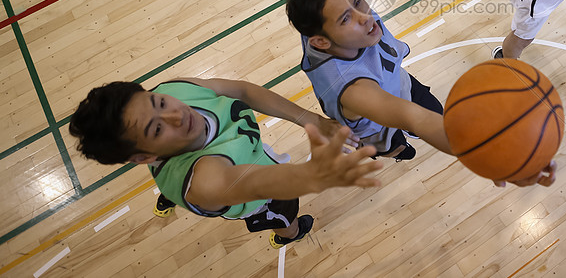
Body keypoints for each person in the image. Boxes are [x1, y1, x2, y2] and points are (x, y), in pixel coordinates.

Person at [287, 0, 556, 187]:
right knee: (401, 144)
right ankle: (394, 151)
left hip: (399, 82)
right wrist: (498, 160)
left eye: (357, 0)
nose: (364, 16)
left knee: (437, 112)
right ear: (320, 42)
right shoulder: (355, 90)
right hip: (377, 127)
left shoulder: (319, 20)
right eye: (347, 18)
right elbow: (417, 118)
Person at [69, 77, 382, 248]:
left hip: (205, 168)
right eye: (158, 127)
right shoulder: (203, 180)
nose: (177, 114)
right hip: (260, 198)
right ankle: (288, 235)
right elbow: (251, 183)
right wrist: (311, 176)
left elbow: (244, 90)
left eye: (159, 102)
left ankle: (167, 194)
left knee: (174, 180)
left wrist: (310, 119)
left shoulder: (174, 90)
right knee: (284, 215)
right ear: (143, 157)